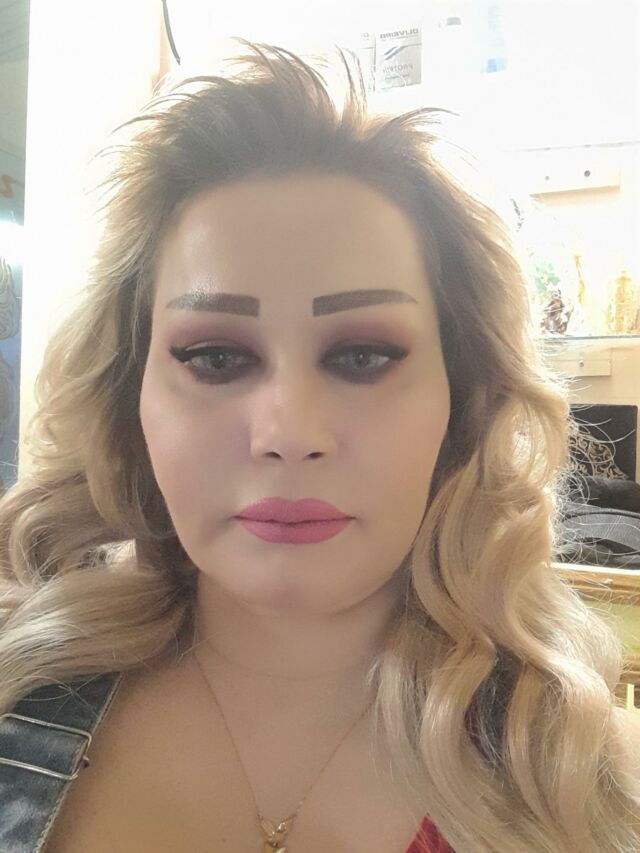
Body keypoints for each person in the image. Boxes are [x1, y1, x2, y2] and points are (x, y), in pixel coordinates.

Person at [0, 38, 638, 853]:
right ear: (132, 396)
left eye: (362, 355)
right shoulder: (14, 701)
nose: (289, 434)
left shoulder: (586, 785)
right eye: (216, 357)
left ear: (463, 397)